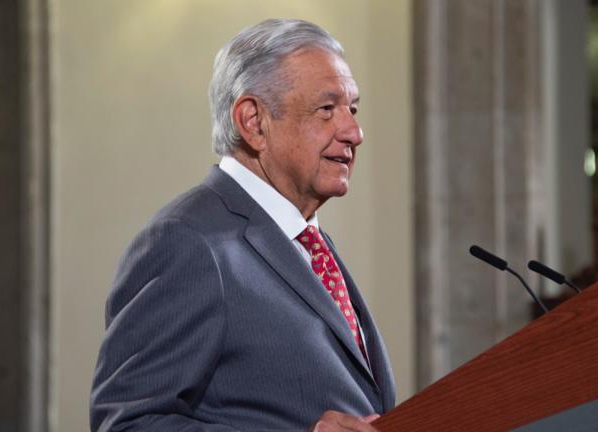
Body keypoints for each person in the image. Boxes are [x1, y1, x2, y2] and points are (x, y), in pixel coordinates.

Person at [90, 19, 396, 431]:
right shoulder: (189, 241)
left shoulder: (308, 242)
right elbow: (126, 424)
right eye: (327, 109)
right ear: (253, 121)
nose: (354, 132)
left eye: (352, 108)